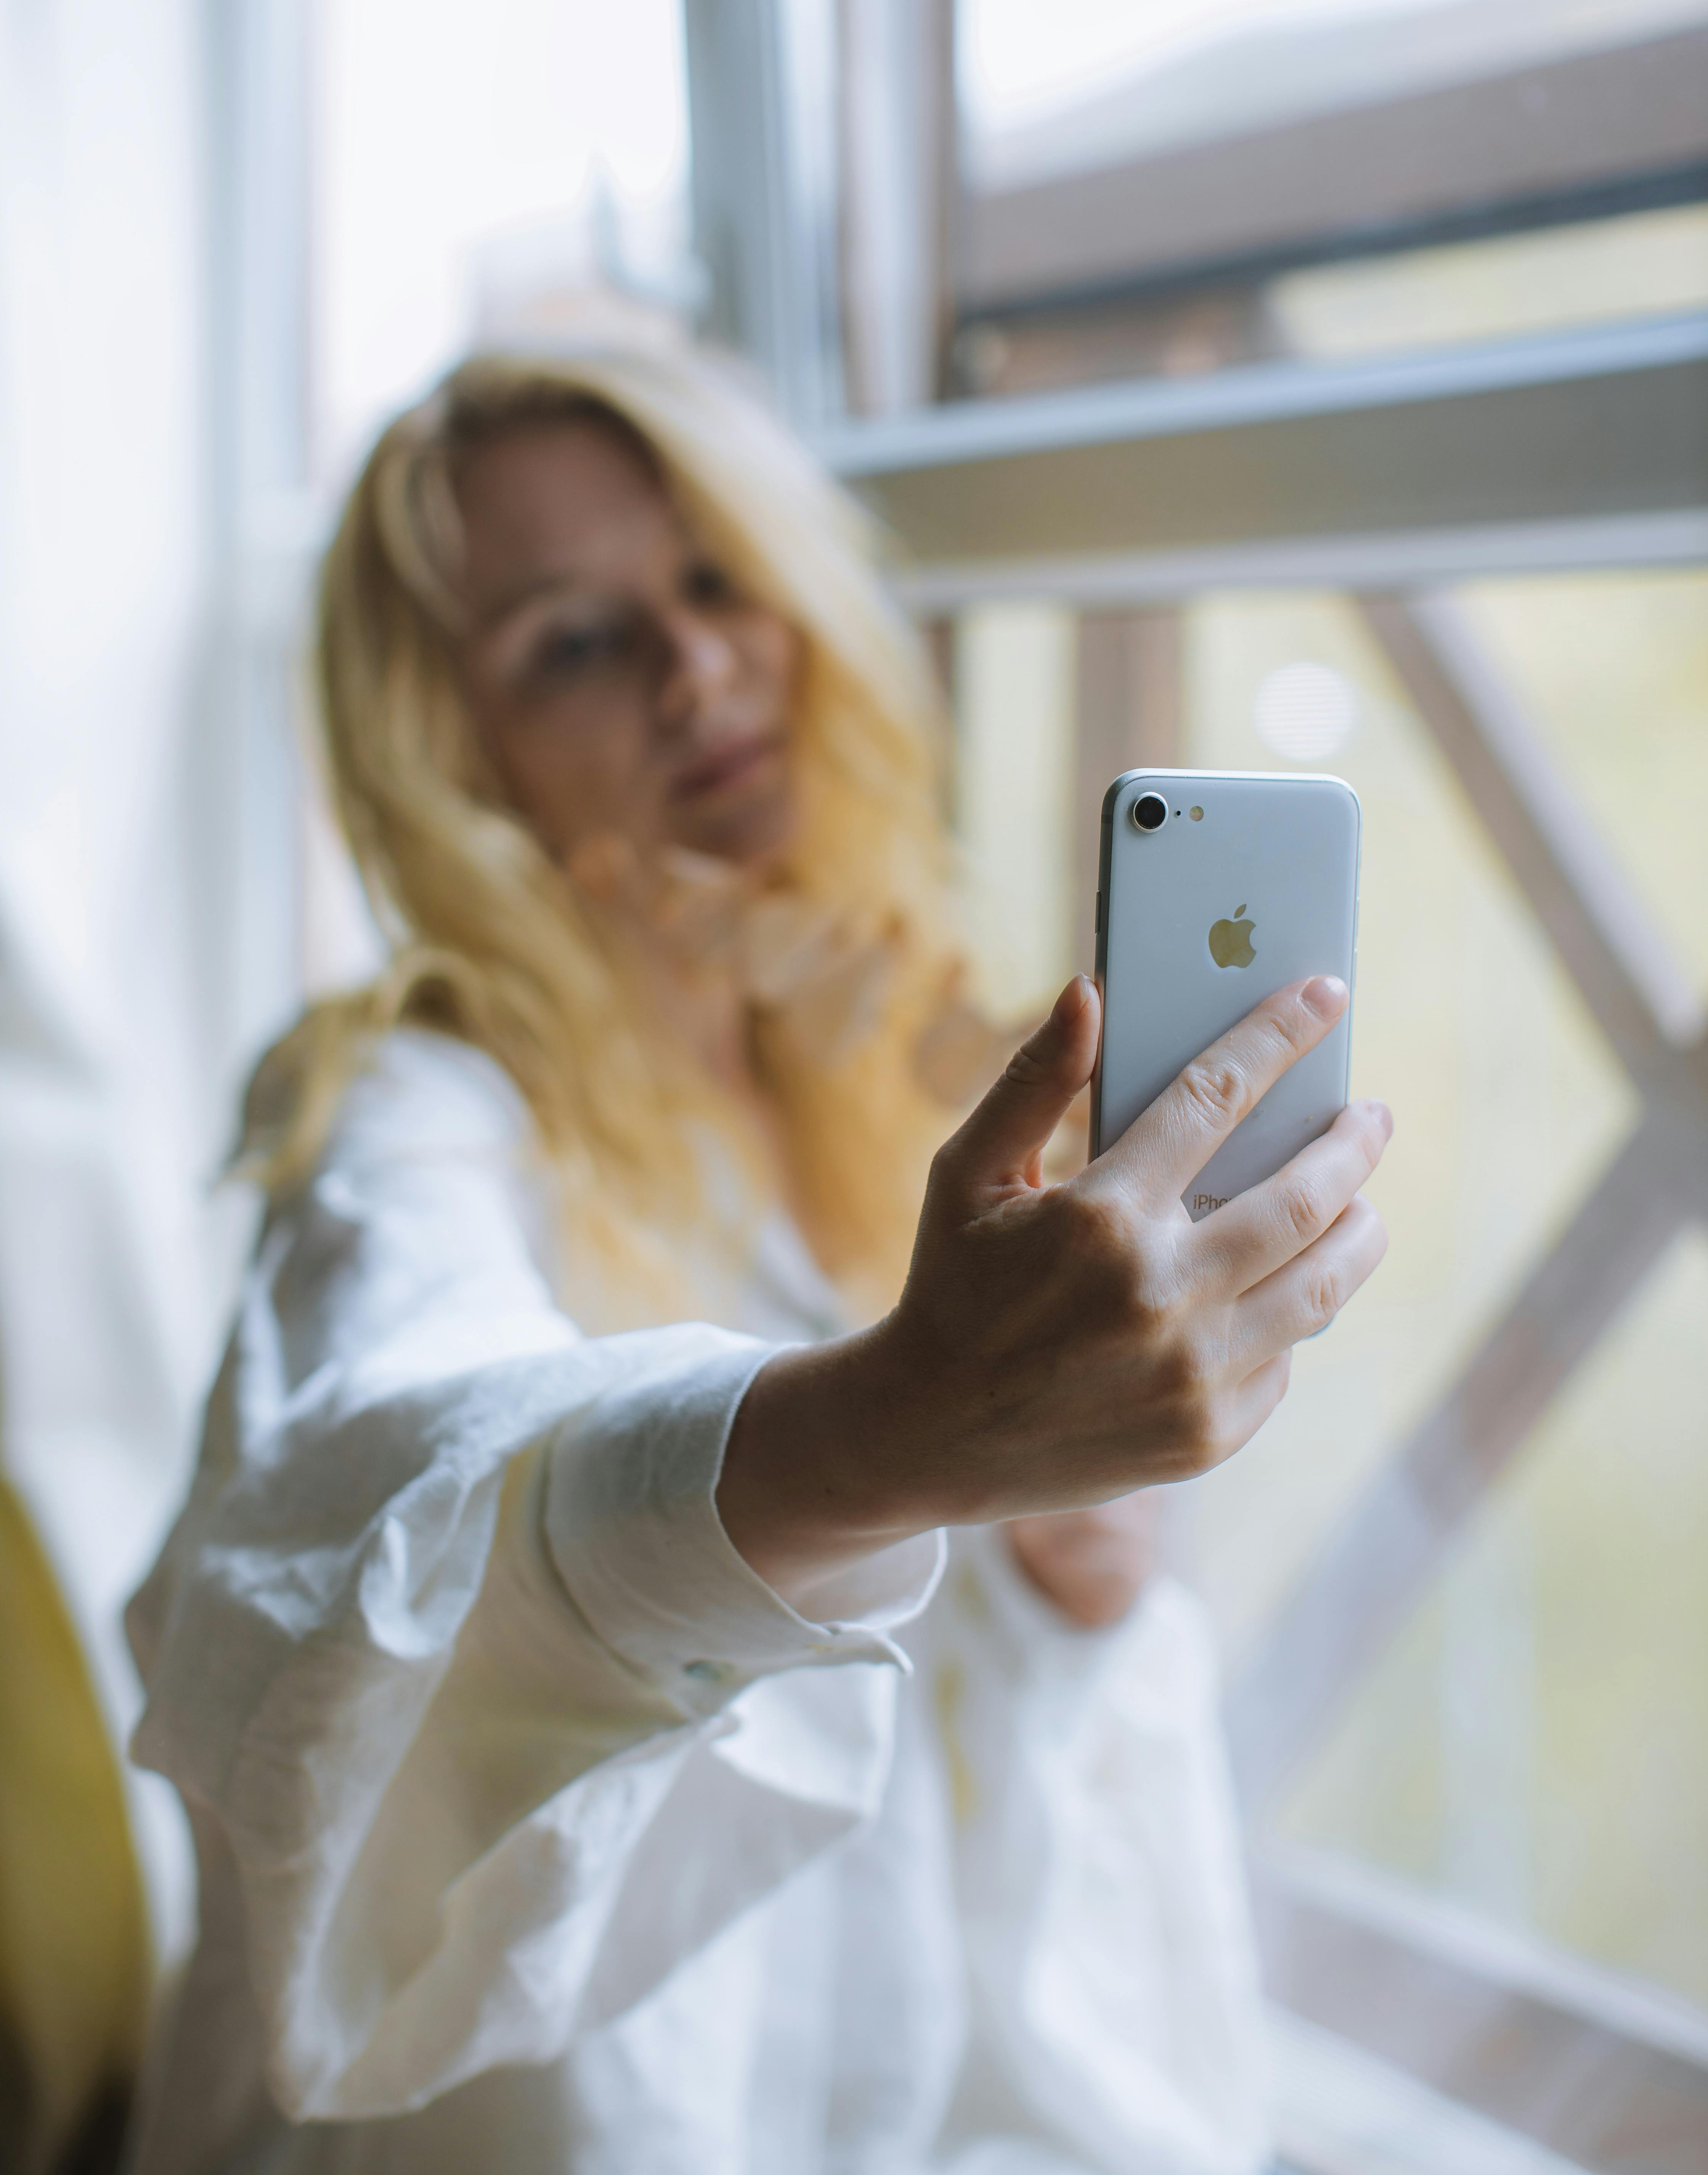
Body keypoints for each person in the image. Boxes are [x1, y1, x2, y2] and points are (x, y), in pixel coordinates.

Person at [126, 343, 1391, 2175]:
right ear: (450, 753)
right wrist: (894, 1434)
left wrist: (1070, 1587)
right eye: (573, 639)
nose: (694, 668)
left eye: (717, 580)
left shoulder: (896, 1086)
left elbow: (950, 1852)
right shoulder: (410, 1108)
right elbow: (378, 1483)